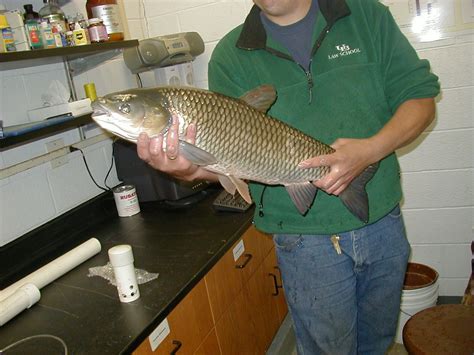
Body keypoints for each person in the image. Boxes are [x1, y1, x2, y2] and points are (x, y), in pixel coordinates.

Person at [137, 0, 440, 353]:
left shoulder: (366, 16)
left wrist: (369, 152)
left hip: (381, 220)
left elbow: (420, 98)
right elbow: (230, 159)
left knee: (377, 343)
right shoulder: (231, 56)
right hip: (303, 239)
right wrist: (188, 169)